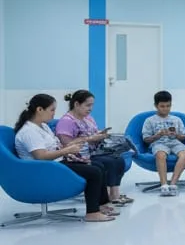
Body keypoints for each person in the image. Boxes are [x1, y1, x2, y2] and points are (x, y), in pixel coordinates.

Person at [14, 94, 117, 223]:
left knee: (98, 166)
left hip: (54, 164)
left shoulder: (43, 126)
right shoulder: (29, 132)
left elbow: (54, 147)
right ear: (39, 109)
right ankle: (92, 213)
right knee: (94, 171)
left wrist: (69, 151)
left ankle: (100, 205)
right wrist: (66, 150)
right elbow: (41, 156)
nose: (53, 114)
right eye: (52, 110)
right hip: (42, 170)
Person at [56, 89, 132, 206]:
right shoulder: (66, 122)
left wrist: (101, 135)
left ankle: (114, 194)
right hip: (78, 156)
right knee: (110, 162)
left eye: (92, 105)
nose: (90, 108)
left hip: (94, 151)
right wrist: (90, 139)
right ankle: (105, 197)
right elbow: (66, 144)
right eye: (88, 105)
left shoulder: (88, 118)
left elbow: (93, 133)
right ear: (76, 104)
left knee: (119, 159)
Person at [142, 90, 185, 196]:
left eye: (168, 106)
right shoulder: (149, 120)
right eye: (162, 106)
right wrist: (157, 135)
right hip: (158, 143)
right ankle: (164, 184)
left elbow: (184, 136)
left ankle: (173, 183)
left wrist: (176, 135)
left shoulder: (177, 119)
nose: (165, 109)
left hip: (174, 142)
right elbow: (146, 139)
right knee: (160, 154)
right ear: (156, 106)